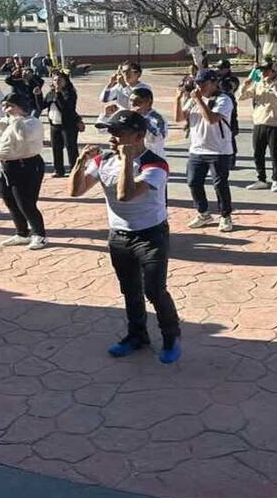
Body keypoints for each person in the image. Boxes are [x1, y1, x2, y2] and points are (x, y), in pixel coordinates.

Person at [69, 109, 181, 364]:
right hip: (119, 235)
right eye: (110, 131)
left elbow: (125, 195)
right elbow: (76, 190)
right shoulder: (104, 160)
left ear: (139, 136)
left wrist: (128, 160)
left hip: (150, 236)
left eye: (119, 132)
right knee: (130, 290)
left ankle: (171, 336)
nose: (112, 137)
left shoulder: (155, 164)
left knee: (154, 290)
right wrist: (81, 162)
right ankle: (137, 336)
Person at [0, 92, 48, 249]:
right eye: (4, 105)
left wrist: (16, 119)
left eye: (10, 106)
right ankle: (22, 233)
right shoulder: (2, 121)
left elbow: (24, 137)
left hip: (25, 165)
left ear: (20, 107)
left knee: (25, 203)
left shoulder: (32, 122)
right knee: (10, 202)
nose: (5, 109)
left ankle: (40, 235)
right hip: (1, 165)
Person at [177, 68, 234, 232]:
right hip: (197, 149)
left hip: (218, 150)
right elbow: (179, 118)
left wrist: (198, 100)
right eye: (197, 83)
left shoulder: (224, 99)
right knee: (193, 182)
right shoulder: (194, 99)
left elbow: (211, 119)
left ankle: (225, 216)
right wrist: (178, 98)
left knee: (220, 185)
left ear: (214, 83)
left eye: (203, 83)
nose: (199, 87)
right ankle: (203, 213)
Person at [239, 59, 277, 192]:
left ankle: (276, 180)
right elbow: (241, 96)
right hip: (259, 122)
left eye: (266, 71)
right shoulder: (258, 83)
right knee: (258, 153)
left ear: (273, 71)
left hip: (275, 124)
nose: (263, 73)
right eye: (261, 71)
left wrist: (272, 85)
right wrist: (246, 84)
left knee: (275, 154)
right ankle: (261, 179)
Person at [43, 71, 82, 177]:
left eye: (60, 80)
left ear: (66, 81)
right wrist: (37, 95)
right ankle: (59, 170)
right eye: (55, 80)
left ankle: (75, 170)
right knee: (56, 148)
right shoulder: (51, 93)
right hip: (54, 124)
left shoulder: (70, 93)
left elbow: (66, 108)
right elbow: (42, 105)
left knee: (71, 148)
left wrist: (58, 93)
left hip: (68, 125)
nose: (57, 82)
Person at [129, 87, 168, 157]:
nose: (133, 104)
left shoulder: (158, 119)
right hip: (133, 156)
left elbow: (156, 139)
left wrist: (142, 119)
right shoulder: (130, 115)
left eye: (138, 102)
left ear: (148, 102)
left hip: (152, 157)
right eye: (131, 100)